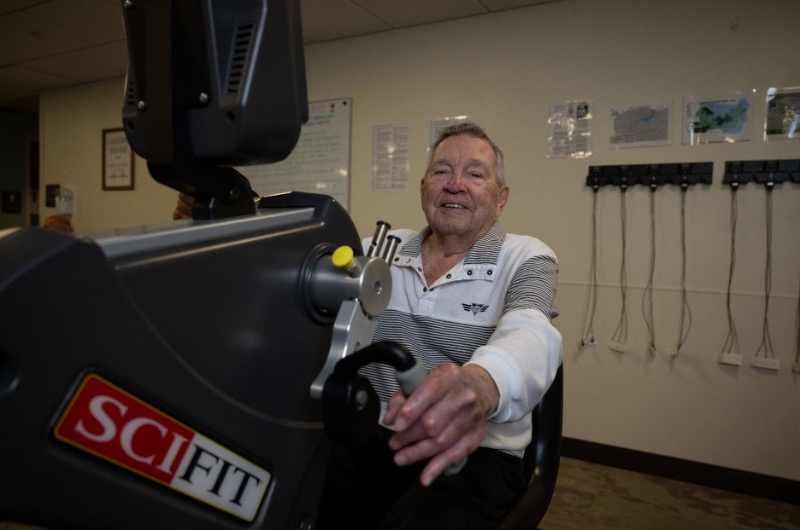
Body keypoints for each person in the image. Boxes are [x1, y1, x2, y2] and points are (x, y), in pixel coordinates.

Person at [172, 122, 562, 529]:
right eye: (442, 171)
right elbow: (297, 274)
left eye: (475, 173)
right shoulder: (383, 248)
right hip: (375, 437)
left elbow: (531, 330)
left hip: (476, 453)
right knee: (276, 496)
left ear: (500, 199)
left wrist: (481, 383)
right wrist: (232, 221)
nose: (455, 184)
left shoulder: (526, 256)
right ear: (424, 187)